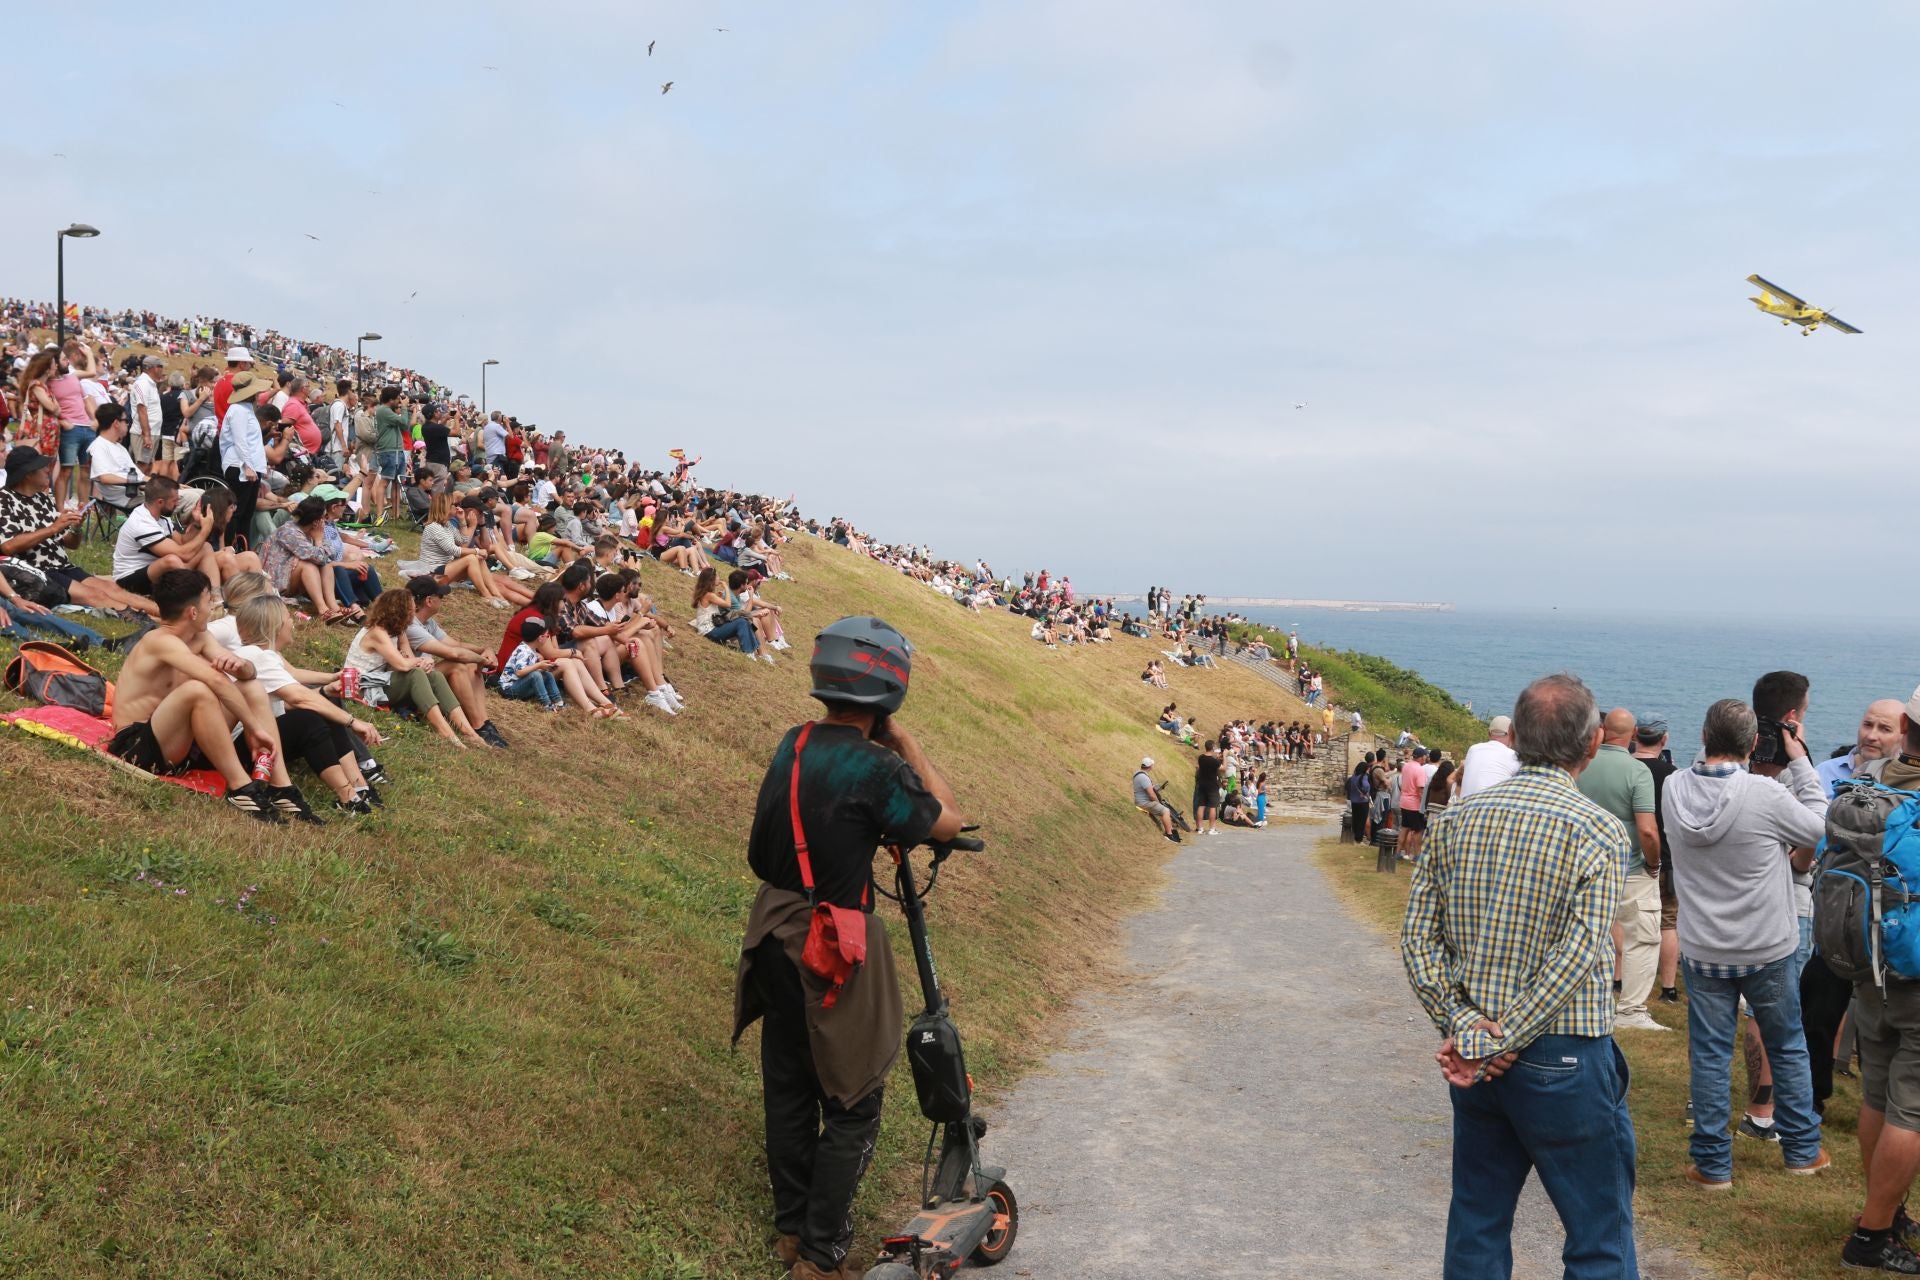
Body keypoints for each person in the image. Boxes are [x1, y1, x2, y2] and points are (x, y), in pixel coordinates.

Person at [732, 616, 964, 1280]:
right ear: (889, 691)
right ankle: (821, 1253)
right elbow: (945, 819)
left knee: (788, 1084)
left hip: (769, 930)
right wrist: (909, 746)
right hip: (831, 943)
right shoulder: (877, 766)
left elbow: (759, 849)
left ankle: (789, 1231)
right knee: (855, 1099)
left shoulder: (793, 743)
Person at [1400, 673, 1638, 1280]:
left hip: (1476, 1051)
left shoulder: (1456, 821)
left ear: (1516, 739)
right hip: (1562, 1054)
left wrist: (1471, 1031)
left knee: (1478, 1217)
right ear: (1592, 746)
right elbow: (1580, 953)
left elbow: (1418, 941)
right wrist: (1499, 1040)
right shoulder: (1598, 829)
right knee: (1597, 1232)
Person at [1663, 698, 1830, 1191]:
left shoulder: (1674, 788)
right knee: (1787, 1045)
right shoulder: (1764, 793)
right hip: (1765, 945)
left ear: (1703, 735)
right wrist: (1800, 762)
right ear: (1755, 744)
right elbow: (1818, 828)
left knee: (1711, 1054)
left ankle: (1713, 1166)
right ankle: (1802, 1151)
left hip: (1703, 947)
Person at [1837, 684, 1920, 1272]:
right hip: (1915, 973)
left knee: (1876, 1091)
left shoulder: (1871, 779)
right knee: (1911, 1110)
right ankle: (1871, 1237)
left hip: (1868, 963)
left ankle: (1884, 1210)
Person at [104, 568, 288, 822]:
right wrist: (253, 727)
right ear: (192, 612)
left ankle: (282, 787)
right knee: (198, 690)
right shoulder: (159, 641)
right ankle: (242, 788)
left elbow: (248, 676)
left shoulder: (200, 636)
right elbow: (214, 680)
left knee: (250, 688)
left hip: (177, 742)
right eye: (207, 601)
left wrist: (242, 666)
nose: (213, 606)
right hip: (137, 746)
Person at [229, 594, 386, 815]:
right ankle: (349, 797)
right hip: (243, 746)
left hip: (253, 739)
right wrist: (353, 721)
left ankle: (357, 787)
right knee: (309, 717)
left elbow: (280, 704)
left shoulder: (263, 654)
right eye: (287, 617)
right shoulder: (257, 656)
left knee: (320, 706)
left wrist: (326, 690)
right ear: (276, 625)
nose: (292, 622)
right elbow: (298, 698)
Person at [1576, 708, 1665, 1033]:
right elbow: (1647, 829)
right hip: (1629, 867)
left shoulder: (1582, 766)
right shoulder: (1637, 771)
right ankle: (1630, 1010)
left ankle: (1583, 1001)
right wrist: (1653, 863)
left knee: (1586, 934)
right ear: (1633, 734)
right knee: (1641, 937)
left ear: (1601, 731)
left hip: (1583, 864)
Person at [0, 446, 156, 615]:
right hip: (38, 570)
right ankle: (155, 623)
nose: (47, 470)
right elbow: (7, 546)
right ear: (28, 474)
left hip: (61, 565)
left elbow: (71, 544)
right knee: (96, 595)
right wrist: (53, 528)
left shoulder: (42, 498)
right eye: (42, 467)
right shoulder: (4, 501)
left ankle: (166, 613)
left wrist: (76, 527)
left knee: (110, 588)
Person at [343, 589, 490, 748]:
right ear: (399, 611)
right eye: (411, 611)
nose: (413, 615)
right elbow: (402, 664)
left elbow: (408, 659)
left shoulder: (398, 631)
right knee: (416, 674)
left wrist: (423, 663)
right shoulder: (377, 632)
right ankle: (446, 732)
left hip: (380, 681)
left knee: (434, 676)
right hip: (361, 687)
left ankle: (469, 732)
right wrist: (419, 662)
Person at [404, 576, 509, 748]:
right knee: (457, 665)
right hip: (414, 681)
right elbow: (453, 652)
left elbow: (456, 645)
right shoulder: (411, 626)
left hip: (425, 674)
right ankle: (477, 726)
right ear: (429, 601)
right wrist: (481, 658)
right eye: (441, 596)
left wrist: (484, 649)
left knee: (469, 663)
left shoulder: (427, 622)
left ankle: (484, 722)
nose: (443, 600)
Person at [1627, 718, 1682, 1005]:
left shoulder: (1626, 770)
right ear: (1664, 739)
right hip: (1665, 856)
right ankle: (1668, 988)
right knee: (1667, 922)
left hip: (1626, 856)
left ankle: (1618, 979)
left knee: (1623, 920)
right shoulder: (1674, 775)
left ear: (1636, 735)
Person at [111, 475, 222, 599]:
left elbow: (182, 541)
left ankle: (216, 599)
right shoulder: (142, 522)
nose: (177, 503)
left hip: (151, 572)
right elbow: (183, 554)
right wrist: (206, 530)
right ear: (160, 502)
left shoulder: (162, 518)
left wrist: (197, 524)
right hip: (128, 580)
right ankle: (195, 597)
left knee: (205, 546)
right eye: (174, 501)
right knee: (171, 561)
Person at [217, 369, 275, 550]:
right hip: (240, 466)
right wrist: (248, 466)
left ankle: (242, 547)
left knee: (246, 513)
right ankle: (232, 548)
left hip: (249, 466)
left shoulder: (246, 409)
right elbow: (239, 440)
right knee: (237, 512)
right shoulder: (238, 410)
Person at [1819, 698, 1906, 798]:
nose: (1871, 736)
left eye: (1885, 729)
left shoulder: (1911, 783)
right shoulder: (1823, 772)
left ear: (1903, 737)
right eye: (1867, 725)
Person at [1457, 715, 1520, 800]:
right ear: (1512, 735)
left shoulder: (1473, 749)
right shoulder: (1513, 756)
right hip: (1491, 809)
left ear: (1489, 734)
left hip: (1464, 807)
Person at [1134, 756, 1180, 843]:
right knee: (1165, 810)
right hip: (1144, 803)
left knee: (1163, 809)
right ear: (1150, 766)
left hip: (1140, 801)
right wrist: (1158, 803)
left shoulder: (1138, 774)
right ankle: (1169, 834)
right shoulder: (1144, 777)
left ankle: (1169, 830)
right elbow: (1152, 795)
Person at [1193, 739, 1222, 836]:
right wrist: (1224, 757)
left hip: (1202, 784)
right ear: (1213, 747)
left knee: (1201, 805)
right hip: (1212, 786)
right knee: (1213, 807)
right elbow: (1223, 768)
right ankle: (1212, 828)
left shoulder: (1201, 758)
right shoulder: (1214, 761)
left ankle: (1200, 828)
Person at [1347, 757, 1373, 842]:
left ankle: (1355, 835)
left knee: (1356, 819)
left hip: (1354, 801)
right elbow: (1366, 786)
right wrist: (1365, 792)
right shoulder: (1364, 776)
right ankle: (1359, 838)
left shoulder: (1353, 777)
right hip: (1362, 801)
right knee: (1362, 820)